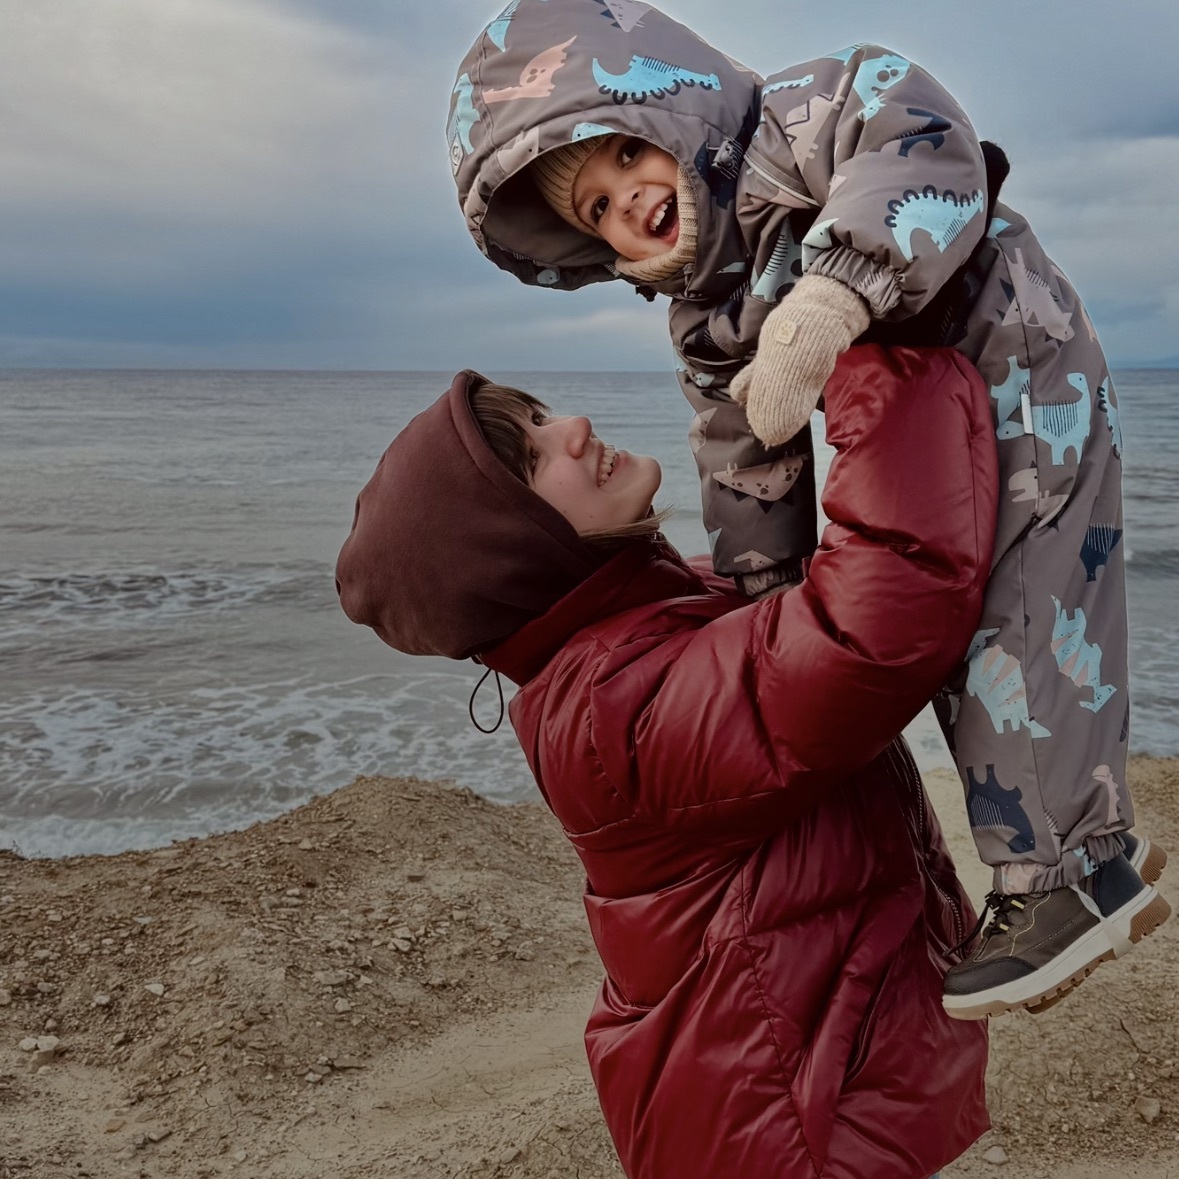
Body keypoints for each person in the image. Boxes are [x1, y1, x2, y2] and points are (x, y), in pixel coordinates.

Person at [444, 0, 1170, 1017]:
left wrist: (835, 292)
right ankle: (1047, 871)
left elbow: (922, 138)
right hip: (936, 428)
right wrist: (762, 603)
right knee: (965, 649)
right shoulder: (705, 314)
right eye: (597, 211)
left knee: (1033, 609)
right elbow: (745, 458)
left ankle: (1080, 873)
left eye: (621, 159)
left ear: (664, 103)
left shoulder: (801, 114)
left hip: (1015, 355)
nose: (628, 204)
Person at [336, 345, 993, 1178]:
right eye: (536, 459)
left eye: (539, 415)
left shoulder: (653, 608)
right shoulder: (611, 709)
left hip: (803, 1079)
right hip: (782, 1121)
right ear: (512, 554)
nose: (573, 428)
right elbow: (869, 628)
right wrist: (879, 359)